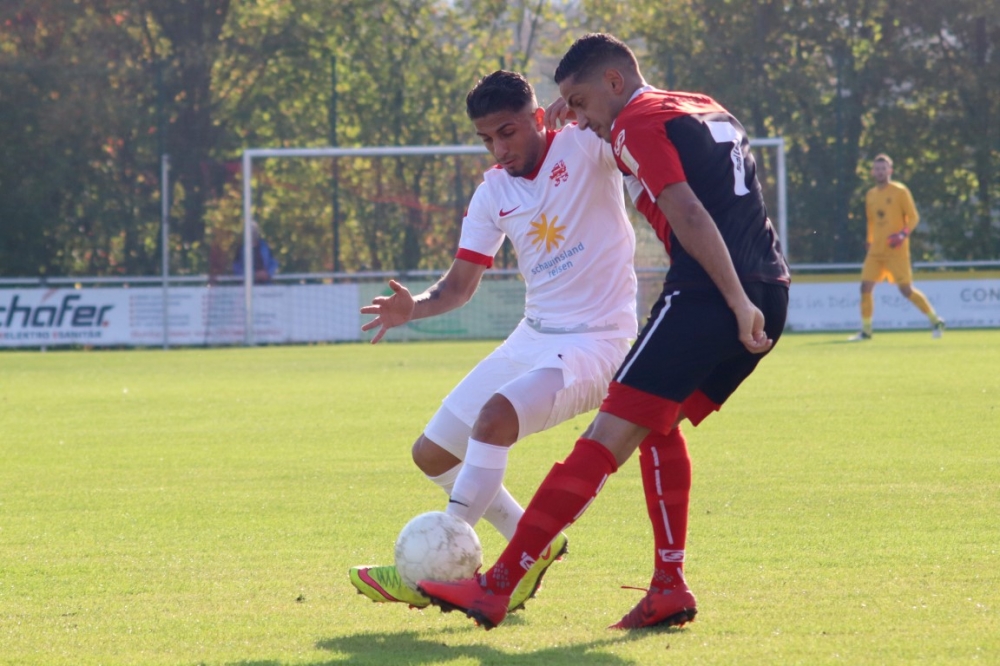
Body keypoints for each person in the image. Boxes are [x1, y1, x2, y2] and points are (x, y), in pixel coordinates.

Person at [419, 32, 790, 631]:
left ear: (614, 83)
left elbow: (687, 210)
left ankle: (497, 585)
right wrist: (752, 298)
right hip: (772, 284)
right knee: (657, 425)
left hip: (710, 292)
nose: (580, 119)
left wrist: (734, 298)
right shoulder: (702, 107)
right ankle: (668, 584)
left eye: (582, 104)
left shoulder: (630, 124)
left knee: (602, 439)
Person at [349, 70, 639, 614]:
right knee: (432, 453)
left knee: (494, 419)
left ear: (537, 118)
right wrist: (415, 307)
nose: (499, 149)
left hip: (599, 342)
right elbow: (457, 287)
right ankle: (537, 543)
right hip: (534, 336)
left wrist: (582, 105)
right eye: (487, 139)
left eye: (508, 132)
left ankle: (433, 570)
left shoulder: (585, 143)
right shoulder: (492, 193)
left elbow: (635, 111)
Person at [848, 154, 944, 341]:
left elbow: (914, 217)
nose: (880, 172)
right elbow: (871, 221)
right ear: (872, 172)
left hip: (896, 250)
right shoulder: (871, 195)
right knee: (865, 287)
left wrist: (902, 235)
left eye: (883, 169)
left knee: (905, 290)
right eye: (877, 169)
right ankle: (866, 331)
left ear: (890, 171)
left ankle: (935, 320)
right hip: (876, 251)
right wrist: (869, 240)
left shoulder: (900, 191)